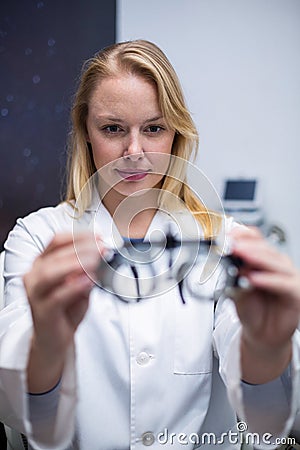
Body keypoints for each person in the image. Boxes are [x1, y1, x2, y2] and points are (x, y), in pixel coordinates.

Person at [2, 39, 300, 450]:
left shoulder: (223, 242)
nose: (134, 152)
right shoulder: (37, 239)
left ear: (176, 132)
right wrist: (47, 344)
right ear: (86, 132)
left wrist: (267, 346)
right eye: (113, 129)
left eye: (154, 128)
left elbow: (268, 414)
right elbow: (22, 412)